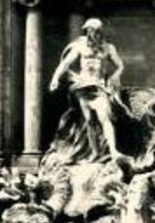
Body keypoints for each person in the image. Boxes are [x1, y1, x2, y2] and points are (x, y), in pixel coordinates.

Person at [48, 18, 126, 162]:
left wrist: (115, 75)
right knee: (89, 121)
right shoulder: (80, 47)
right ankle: (95, 152)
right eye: (89, 30)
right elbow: (65, 64)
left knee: (105, 117)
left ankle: (113, 151)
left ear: (100, 32)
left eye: (95, 30)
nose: (92, 33)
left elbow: (120, 65)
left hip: (99, 86)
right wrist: (55, 78)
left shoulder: (108, 48)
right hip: (83, 86)